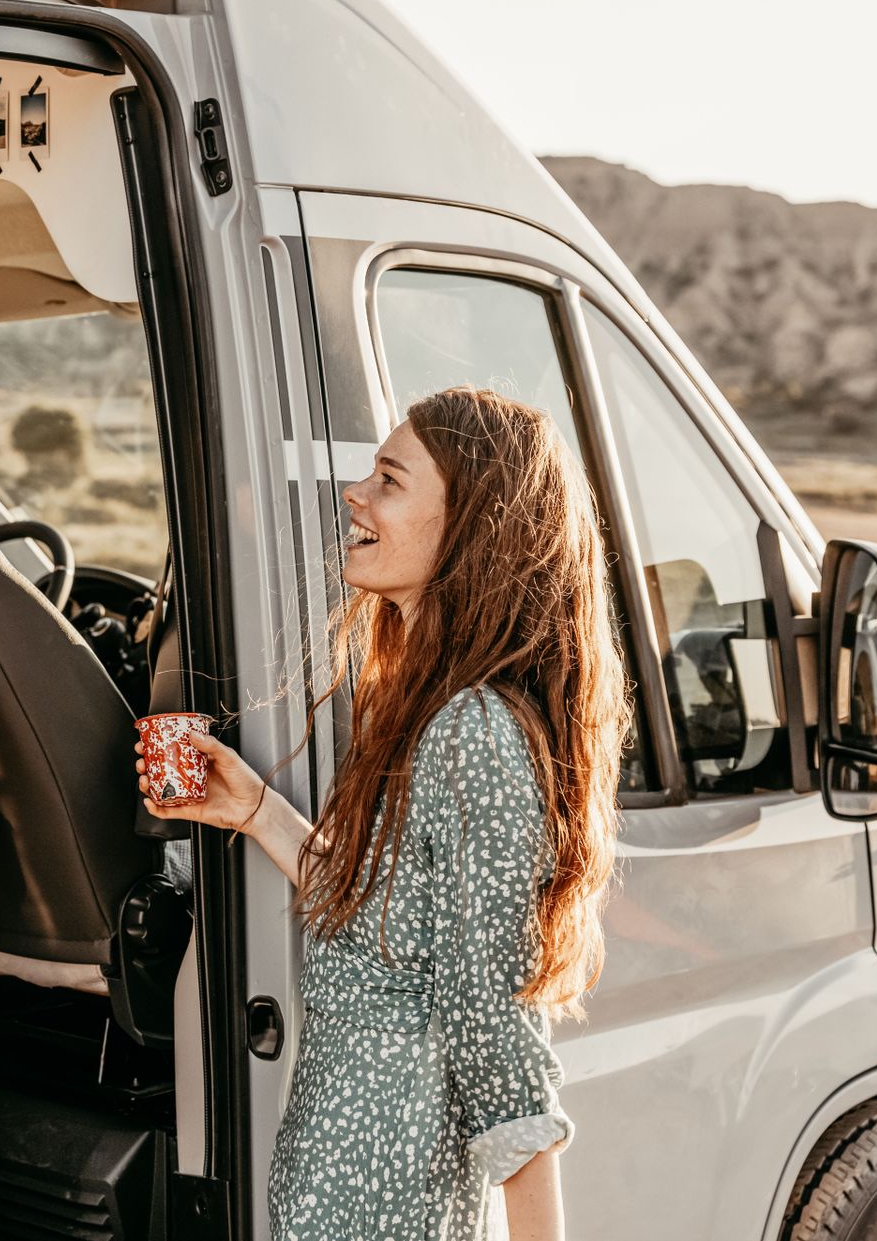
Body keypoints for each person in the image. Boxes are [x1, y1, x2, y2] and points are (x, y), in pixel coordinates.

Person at [141, 386, 626, 1241]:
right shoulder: (430, 709)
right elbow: (385, 915)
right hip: (327, 1208)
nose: (355, 495)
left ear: (474, 526)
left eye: (390, 480)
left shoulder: (476, 731)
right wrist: (256, 808)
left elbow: (496, 1036)